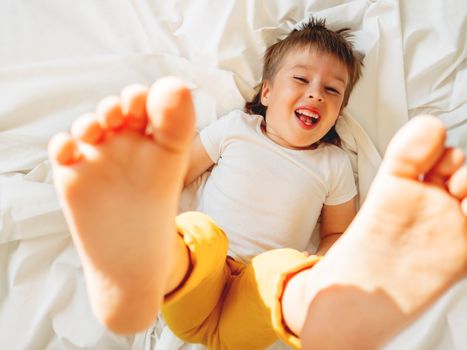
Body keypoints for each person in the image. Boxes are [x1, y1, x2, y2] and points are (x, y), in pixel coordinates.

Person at [48, 18, 467, 350]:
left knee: (284, 272)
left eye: (332, 90)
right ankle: (142, 263)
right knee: (200, 235)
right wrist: (150, 189)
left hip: (254, 299)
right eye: (301, 80)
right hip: (196, 273)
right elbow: (177, 175)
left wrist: (326, 263)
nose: (316, 94)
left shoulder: (334, 164)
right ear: (266, 92)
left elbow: (337, 231)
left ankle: (323, 307)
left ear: (339, 111)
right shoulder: (236, 129)